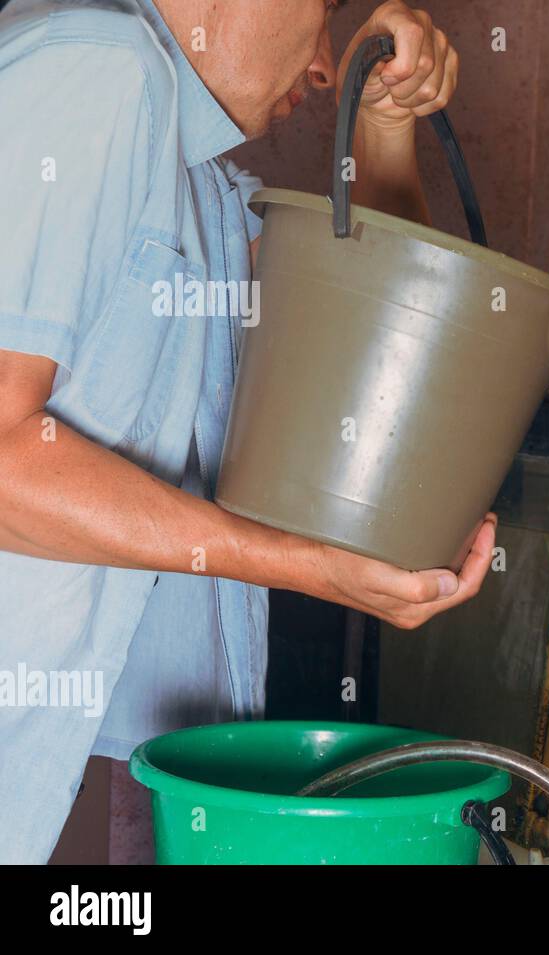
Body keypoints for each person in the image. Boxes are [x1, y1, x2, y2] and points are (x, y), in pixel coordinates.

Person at [0, 0, 494, 863]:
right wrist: (313, 566)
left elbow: (383, 342)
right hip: (48, 782)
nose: (321, 64)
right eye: (324, 12)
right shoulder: (100, 67)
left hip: (136, 770)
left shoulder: (204, 188)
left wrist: (382, 127)